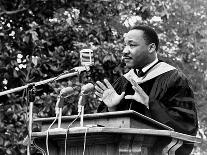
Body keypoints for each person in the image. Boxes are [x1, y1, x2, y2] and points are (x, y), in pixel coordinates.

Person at [95, 25, 198, 155]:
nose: (125, 51)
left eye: (132, 45)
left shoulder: (174, 79)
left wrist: (150, 104)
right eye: (125, 45)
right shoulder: (123, 82)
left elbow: (186, 126)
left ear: (151, 47)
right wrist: (112, 109)